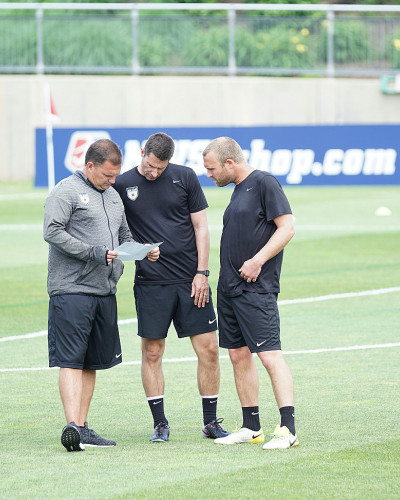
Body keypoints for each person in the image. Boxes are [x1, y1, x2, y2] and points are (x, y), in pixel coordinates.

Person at [43, 138, 159, 452]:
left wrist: (140, 251)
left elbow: (123, 235)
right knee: (71, 360)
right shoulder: (65, 191)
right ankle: (70, 426)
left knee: (92, 362)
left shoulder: (113, 196)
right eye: (107, 175)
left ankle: (81, 427)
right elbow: (52, 231)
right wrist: (92, 253)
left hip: (105, 290)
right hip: (71, 290)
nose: (112, 182)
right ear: (90, 165)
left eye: (115, 176)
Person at [113, 132, 229, 443]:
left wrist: (202, 272)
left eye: (160, 169)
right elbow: (115, 230)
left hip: (191, 281)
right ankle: (160, 424)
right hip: (151, 283)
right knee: (152, 352)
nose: (154, 172)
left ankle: (210, 423)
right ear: (142, 153)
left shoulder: (185, 177)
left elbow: (201, 227)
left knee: (209, 350)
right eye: (150, 166)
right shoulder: (122, 184)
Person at [202, 137, 298, 450]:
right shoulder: (238, 190)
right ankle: (251, 426)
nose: (209, 174)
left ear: (230, 163)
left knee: (270, 356)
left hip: (255, 289)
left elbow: (287, 227)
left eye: (212, 168)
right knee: (238, 355)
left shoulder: (264, 183)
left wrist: (258, 260)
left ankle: (288, 429)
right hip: (229, 289)